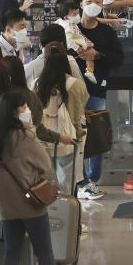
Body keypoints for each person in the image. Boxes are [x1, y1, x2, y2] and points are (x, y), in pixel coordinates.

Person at [0, 91, 75, 265]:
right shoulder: (25, 138)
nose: (27, 111)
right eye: (24, 107)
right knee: (44, 252)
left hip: (6, 208)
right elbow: (46, 166)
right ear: (15, 113)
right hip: (31, 206)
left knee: (12, 253)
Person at [76, 0, 123, 199]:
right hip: (72, 92)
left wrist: (98, 55)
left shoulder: (107, 33)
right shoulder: (71, 30)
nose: (93, 3)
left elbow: (118, 59)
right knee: (75, 136)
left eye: (97, 0)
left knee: (96, 136)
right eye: (89, 0)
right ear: (81, 4)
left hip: (96, 90)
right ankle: (77, 180)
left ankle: (92, 179)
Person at [34, 43, 87, 192]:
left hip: (41, 141)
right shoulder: (75, 85)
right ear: (65, 60)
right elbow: (78, 116)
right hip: (67, 140)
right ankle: (65, 212)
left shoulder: (36, 84)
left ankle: (47, 213)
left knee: (45, 185)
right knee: (67, 186)